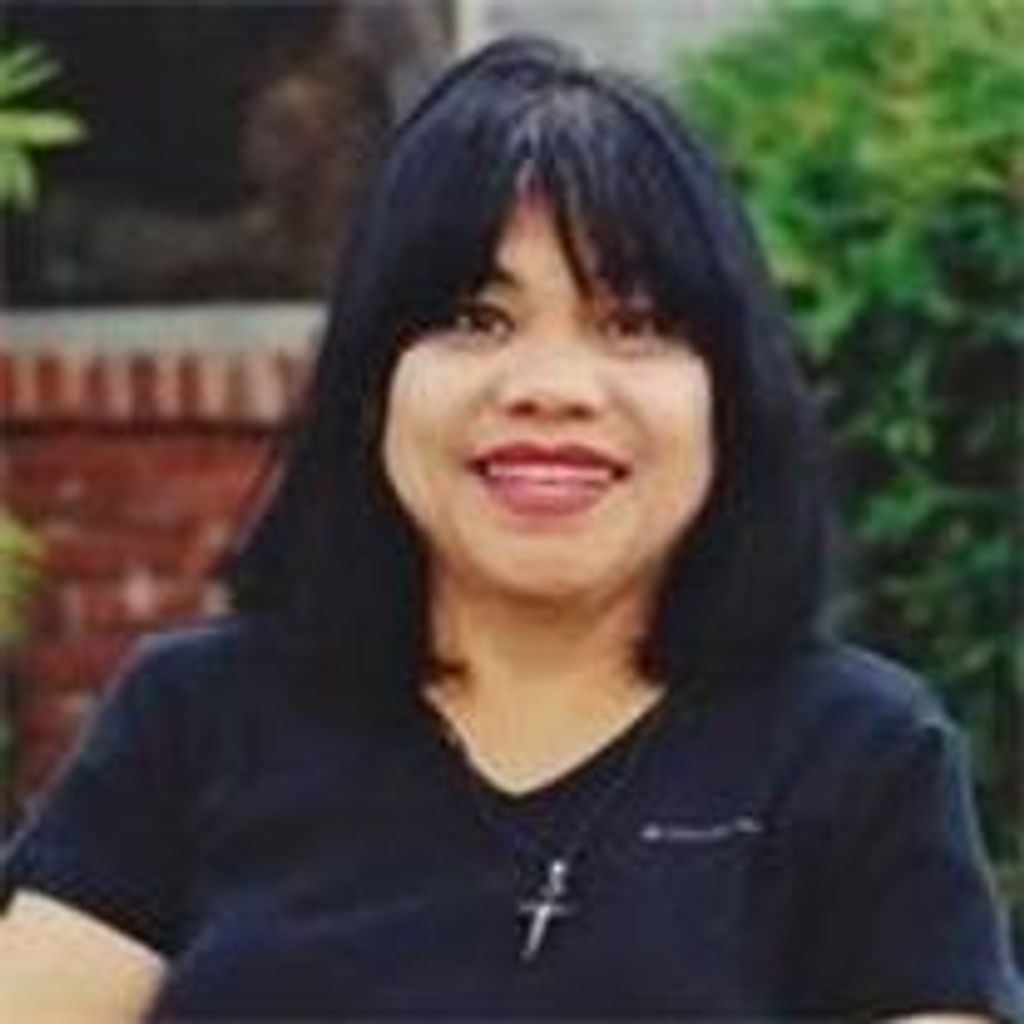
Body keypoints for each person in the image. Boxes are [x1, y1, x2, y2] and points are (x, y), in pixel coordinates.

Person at [1, 36, 1020, 1022]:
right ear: (373, 385)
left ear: (729, 394)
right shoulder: (196, 719)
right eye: (474, 319)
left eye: (634, 323)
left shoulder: (858, 757)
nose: (551, 388)